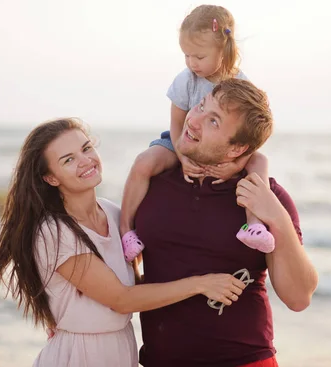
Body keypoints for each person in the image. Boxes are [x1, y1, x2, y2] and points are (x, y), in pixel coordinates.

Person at [0, 118, 247, 367]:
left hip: (120, 346)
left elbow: (141, 281)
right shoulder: (55, 233)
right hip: (79, 354)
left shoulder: (113, 213)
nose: (85, 161)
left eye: (86, 148)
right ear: (51, 178)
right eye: (68, 160)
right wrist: (202, 283)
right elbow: (121, 299)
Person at [135, 79, 319, 367]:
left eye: (213, 122)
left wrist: (275, 215)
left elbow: (298, 297)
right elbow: (123, 270)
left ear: (237, 148)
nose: (193, 121)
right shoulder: (153, 182)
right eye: (200, 106)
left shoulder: (264, 197)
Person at [120, 5, 274, 263]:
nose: (192, 63)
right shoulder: (186, 80)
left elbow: (251, 133)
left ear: (224, 51)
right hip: (179, 140)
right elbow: (176, 125)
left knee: (261, 161)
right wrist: (182, 158)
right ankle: (126, 230)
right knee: (143, 162)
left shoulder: (241, 85)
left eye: (199, 57)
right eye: (186, 56)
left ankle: (254, 225)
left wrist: (235, 165)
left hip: (219, 145)